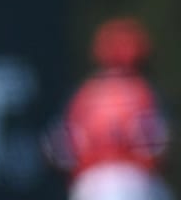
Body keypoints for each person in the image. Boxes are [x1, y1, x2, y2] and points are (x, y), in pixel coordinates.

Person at [44, 17, 173, 200]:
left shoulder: (83, 94)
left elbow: (57, 151)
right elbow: (158, 149)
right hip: (134, 181)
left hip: (89, 183)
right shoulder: (143, 92)